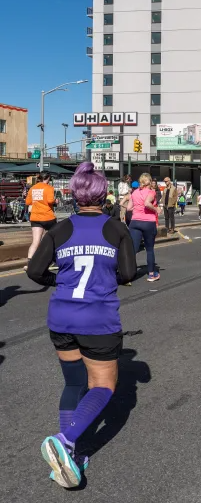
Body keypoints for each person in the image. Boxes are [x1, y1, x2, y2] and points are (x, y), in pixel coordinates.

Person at [26, 162, 136, 489]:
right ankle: (65, 438)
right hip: (97, 318)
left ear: (74, 194)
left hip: (61, 316)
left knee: (74, 384)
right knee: (103, 386)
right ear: (103, 194)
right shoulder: (116, 229)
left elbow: (34, 271)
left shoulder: (60, 229)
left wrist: (54, 279)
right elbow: (129, 273)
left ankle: (70, 454)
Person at [128, 173, 161, 282]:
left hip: (135, 221)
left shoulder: (134, 192)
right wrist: (157, 209)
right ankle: (151, 274)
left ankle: (128, 272)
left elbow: (129, 208)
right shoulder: (151, 192)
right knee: (150, 249)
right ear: (150, 182)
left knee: (133, 249)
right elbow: (147, 203)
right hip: (148, 222)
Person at [25, 171, 57, 271]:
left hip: (35, 217)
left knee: (35, 241)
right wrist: (56, 201)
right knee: (54, 239)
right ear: (48, 178)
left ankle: (30, 263)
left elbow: (28, 202)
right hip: (47, 217)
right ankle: (53, 261)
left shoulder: (32, 188)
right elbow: (50, 201)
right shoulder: (49, 188)